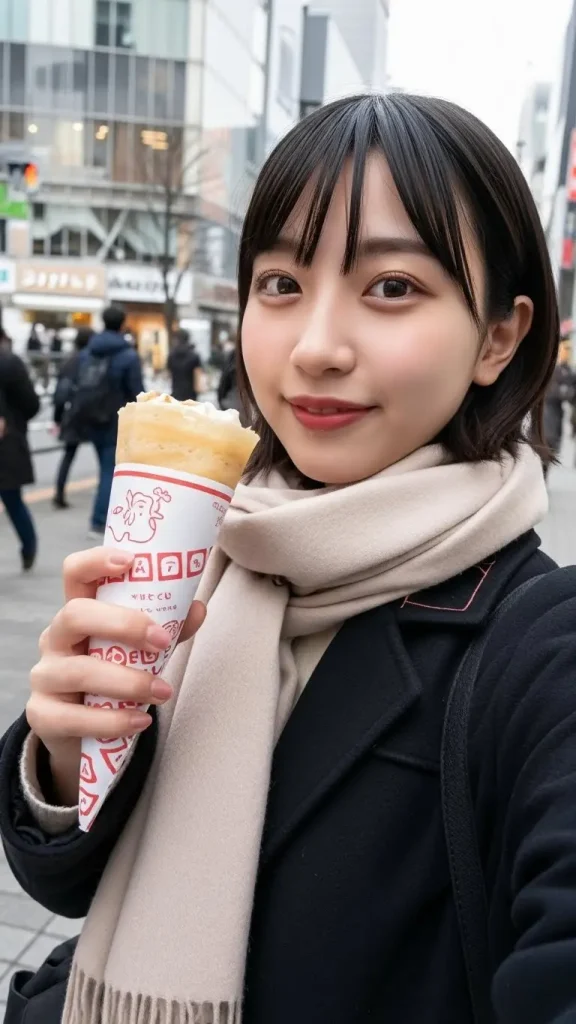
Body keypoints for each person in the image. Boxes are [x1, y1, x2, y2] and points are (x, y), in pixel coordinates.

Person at [2, 93, 576, 1024]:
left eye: (392, 287)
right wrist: (67, 755)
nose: (314, 349)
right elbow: (69, 883)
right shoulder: (218, 558)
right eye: (281, 284)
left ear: (501, 338)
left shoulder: (538, 648)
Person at [68, 305, 143, 538]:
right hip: (115, 421)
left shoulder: (88, 351)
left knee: (104, 467)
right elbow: (136, 391)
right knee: (109, 471)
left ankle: (105, 515)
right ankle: (99, 521)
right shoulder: (128, 355)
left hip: (90, 418)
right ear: (122, 324)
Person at [0, 345, 40, 570]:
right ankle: (29, 546)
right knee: (13, 500)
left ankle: (29, 546)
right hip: (8, 442)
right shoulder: (9, 363)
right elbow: (31, 403)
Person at [52, 327, 94, 509]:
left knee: (69, 453)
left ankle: (59, 492)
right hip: (92, 412)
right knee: (106, 454)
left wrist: (58, 417)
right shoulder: (92, 359)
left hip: (72, 413)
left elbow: (61, 392)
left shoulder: (70, 361)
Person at [542, 341, 575, 479]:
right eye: (564, 352)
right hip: (547, 415)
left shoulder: (568, 372)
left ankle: (544, 474)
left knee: (552, 446)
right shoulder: (552, 371)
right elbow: (552, 392)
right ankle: (542, 476)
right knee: (545, 445)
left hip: (556, 416)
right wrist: (565, 393)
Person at [167, 328, 204, 401]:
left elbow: (169, 374)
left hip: (176, 393)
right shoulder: (194, 355)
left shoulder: (171, 355)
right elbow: (198, 376)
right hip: (191, 395)